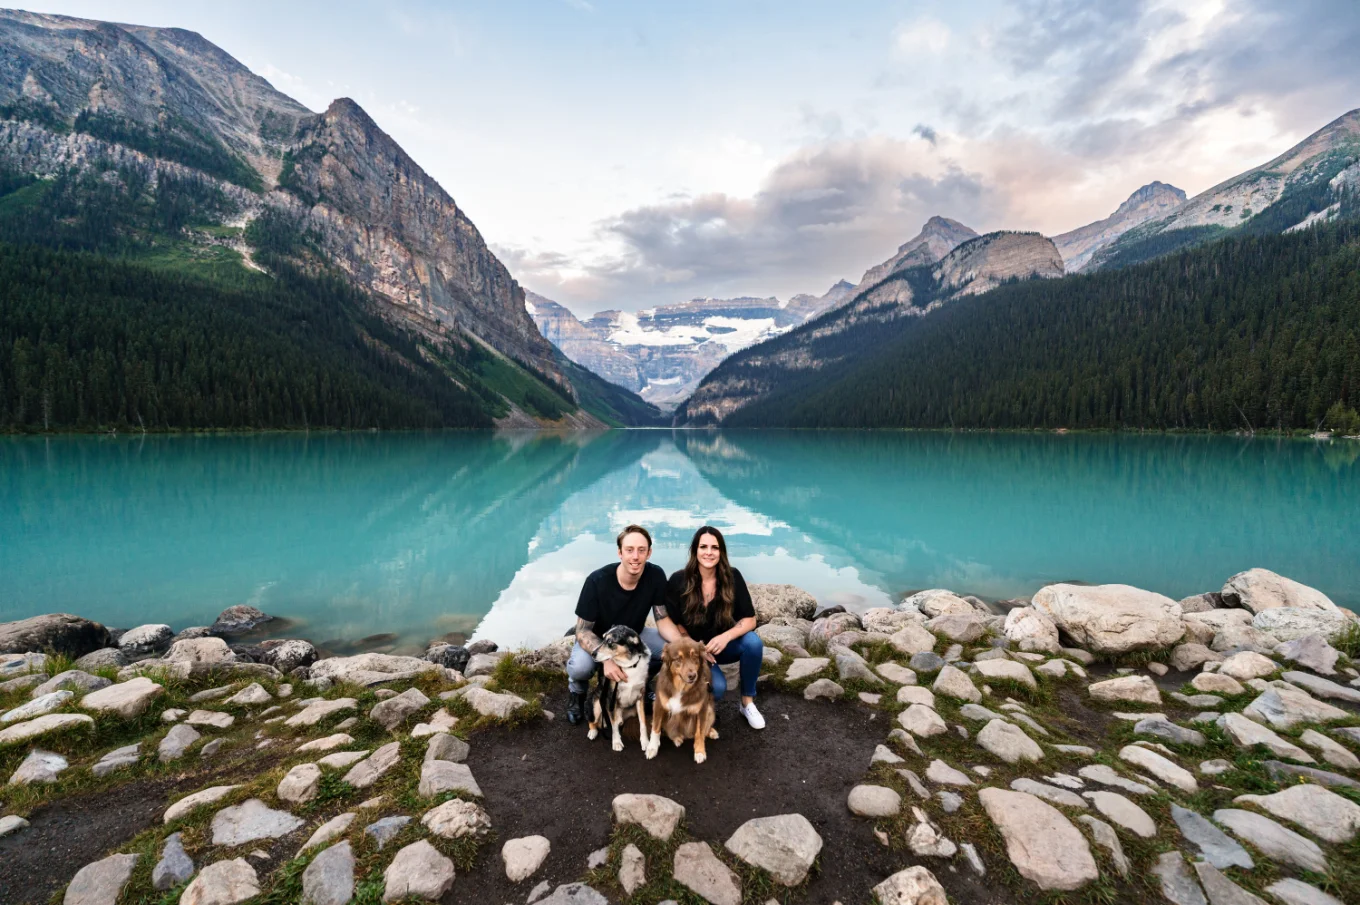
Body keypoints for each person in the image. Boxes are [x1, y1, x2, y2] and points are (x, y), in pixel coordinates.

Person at [565, 524, 684, 725]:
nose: (635, 556)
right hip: (597, 639)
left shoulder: (655, 576)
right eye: (629, 550)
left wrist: (684, 646)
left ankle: (641, 686)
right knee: (579, 668)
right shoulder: (597, 581)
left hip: (633, 637)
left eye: (641, 550)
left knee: (670, 651)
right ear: (620, 552)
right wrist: (606, 660)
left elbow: (662, 619)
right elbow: (582, 630)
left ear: (649, 553)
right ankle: (577, 695)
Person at [665, 525, 765, 729]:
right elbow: (673, 621)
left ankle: (747, 703)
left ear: (721, 552)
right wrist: (694, 648)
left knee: (753, 643)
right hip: (696, 652)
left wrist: (726, 637)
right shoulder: (678, 580)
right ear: (695, 550)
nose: (709, 552)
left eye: (714, 547)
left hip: (724, 647)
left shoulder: (732, 577)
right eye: (703, 547)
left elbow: (750, 620)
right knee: (717, 689)